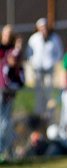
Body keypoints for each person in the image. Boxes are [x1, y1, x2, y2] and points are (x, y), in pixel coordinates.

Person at [26, 18, 63, 121]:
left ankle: (49, 114)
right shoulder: (34, 39)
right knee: (39, 92)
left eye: (45, 27)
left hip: (49, 70)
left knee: (49, 92)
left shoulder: (54, 38)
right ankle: (39, 113)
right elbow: (29, 53)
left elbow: (59, 52)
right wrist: (34, 62)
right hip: (38, 70)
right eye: (41, 27)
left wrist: (52, 62)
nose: (43, 29)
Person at [0, 27, 24, 160]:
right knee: (2, 123)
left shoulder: (17, 66)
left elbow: (20, 81)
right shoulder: (5, 64)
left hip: (8, 95)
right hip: (3, 93)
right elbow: (5, 81)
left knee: (5, 123)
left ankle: (5, 151)